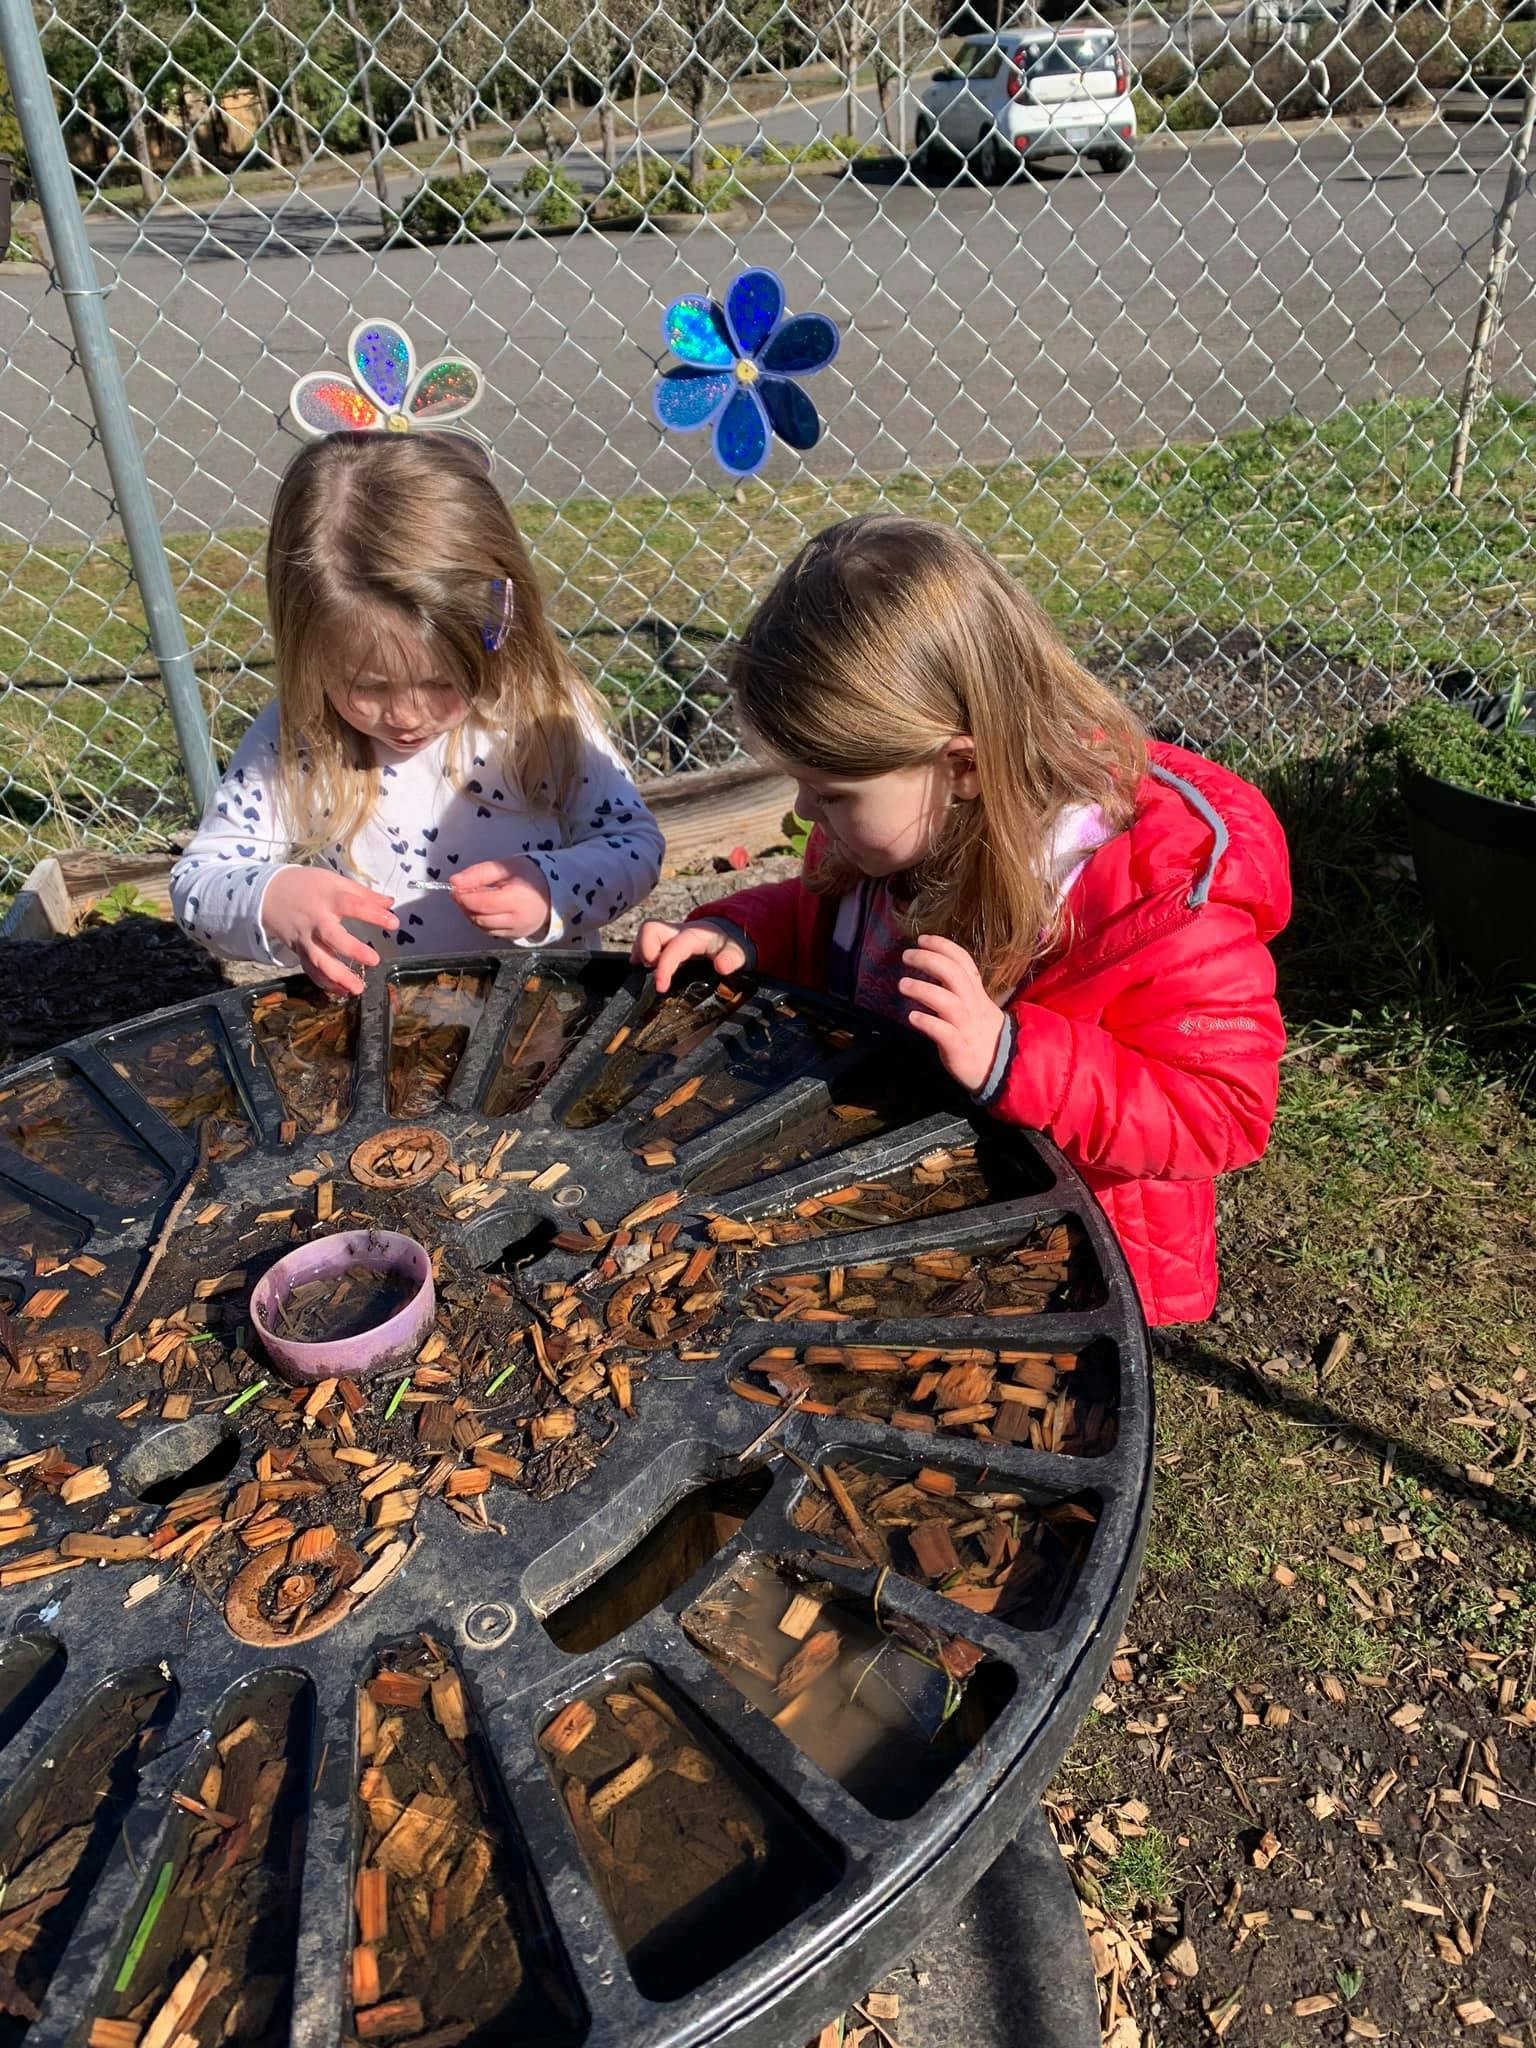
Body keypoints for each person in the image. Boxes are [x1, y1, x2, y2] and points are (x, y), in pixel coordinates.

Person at [633, 515, 1290, 1326]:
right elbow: (829, 923)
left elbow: (1220, 1111)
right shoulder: (899, 830)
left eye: (832, 793)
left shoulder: (1151, 902)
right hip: (911, 1198)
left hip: (1060, 1261)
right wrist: (744, 932)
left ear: (964, 766)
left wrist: (1014, 1056)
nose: (805, 812)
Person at [172, 432, 663, 995]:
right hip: (376, 1025)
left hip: (534, 1012)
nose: (408, 714)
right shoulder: (299, 737)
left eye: (441, 681)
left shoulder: (541, 715)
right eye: (369, 686)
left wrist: (552, 887)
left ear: (497, 630)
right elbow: (197, 885)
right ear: (310, 649)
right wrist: (274, 898)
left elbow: (634, 844)